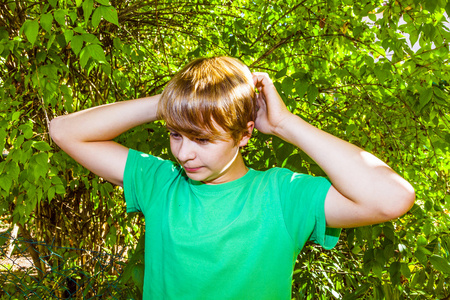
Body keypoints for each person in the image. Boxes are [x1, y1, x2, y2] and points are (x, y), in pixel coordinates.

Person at [49, 56, 415, 299]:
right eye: (176, 134)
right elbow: (64, 131)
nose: (184, 153)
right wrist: (168, 103)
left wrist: (287, 125)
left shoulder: (280, 196)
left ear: (244, 135)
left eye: (203, 139)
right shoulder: (161, 183)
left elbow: (391, 197)